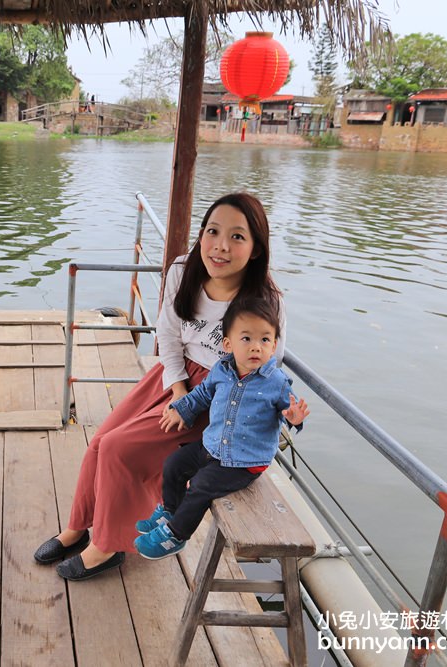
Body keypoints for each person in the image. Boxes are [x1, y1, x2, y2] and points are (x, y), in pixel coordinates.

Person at [33, 192, 285, 581]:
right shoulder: (185, 269)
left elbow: (266, 370)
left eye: (237, 237)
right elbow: (167, 335)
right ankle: (78, 526)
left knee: (120, 450)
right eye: (212, 231)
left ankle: (106, 546)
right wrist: (178, 387)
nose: (220, 246)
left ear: (254, 249)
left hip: (219, 399)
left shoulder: (262, 300)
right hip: (174, 378)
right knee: (101, 441)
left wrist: (196, 408)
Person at [134, 297, 309, 559]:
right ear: (228, 344)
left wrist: (294, 418)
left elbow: (288, 412)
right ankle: (171, 510)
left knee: (202, 484)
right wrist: (181, 408)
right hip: (213, 445)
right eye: (246, 338)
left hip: (244, 461)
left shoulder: (278, 383)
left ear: (274, 346)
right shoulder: (221, 370)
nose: (255, 347)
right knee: (174, 463)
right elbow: (203, 394)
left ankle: (176, 535)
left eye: (265, 340)